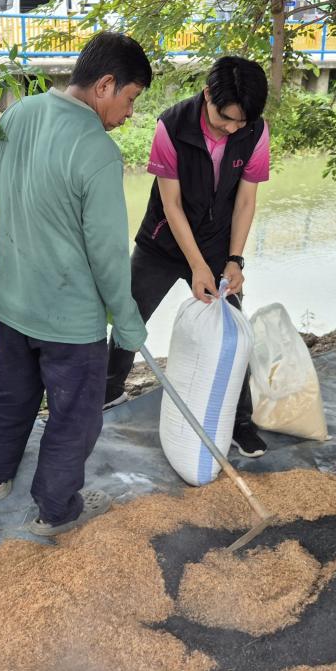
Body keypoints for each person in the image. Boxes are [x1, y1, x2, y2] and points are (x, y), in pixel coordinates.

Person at [0, 31, 152, 536]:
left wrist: (31, 200)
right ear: (105, 85)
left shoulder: (19, 112)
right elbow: (109, 256)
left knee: (9, 392)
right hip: (70, 320)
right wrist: (129, 325)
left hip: (11, 299)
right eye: (130, 99)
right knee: (74, 415)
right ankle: (55, 509)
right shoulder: (97, 151)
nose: (130, 114)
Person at [104, 56, 271, 459]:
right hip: (161, 243)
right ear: (208, 94)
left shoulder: (255, 132)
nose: (231, 128)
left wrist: (234, 260)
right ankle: (106, 393)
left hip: (217, 245)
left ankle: (238, 422)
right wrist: (195, 265)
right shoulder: (171, 126)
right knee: (129, 320)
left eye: (239, 123)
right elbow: (172, 204)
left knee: (231, 330)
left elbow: (246, 200)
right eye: (224, 119)